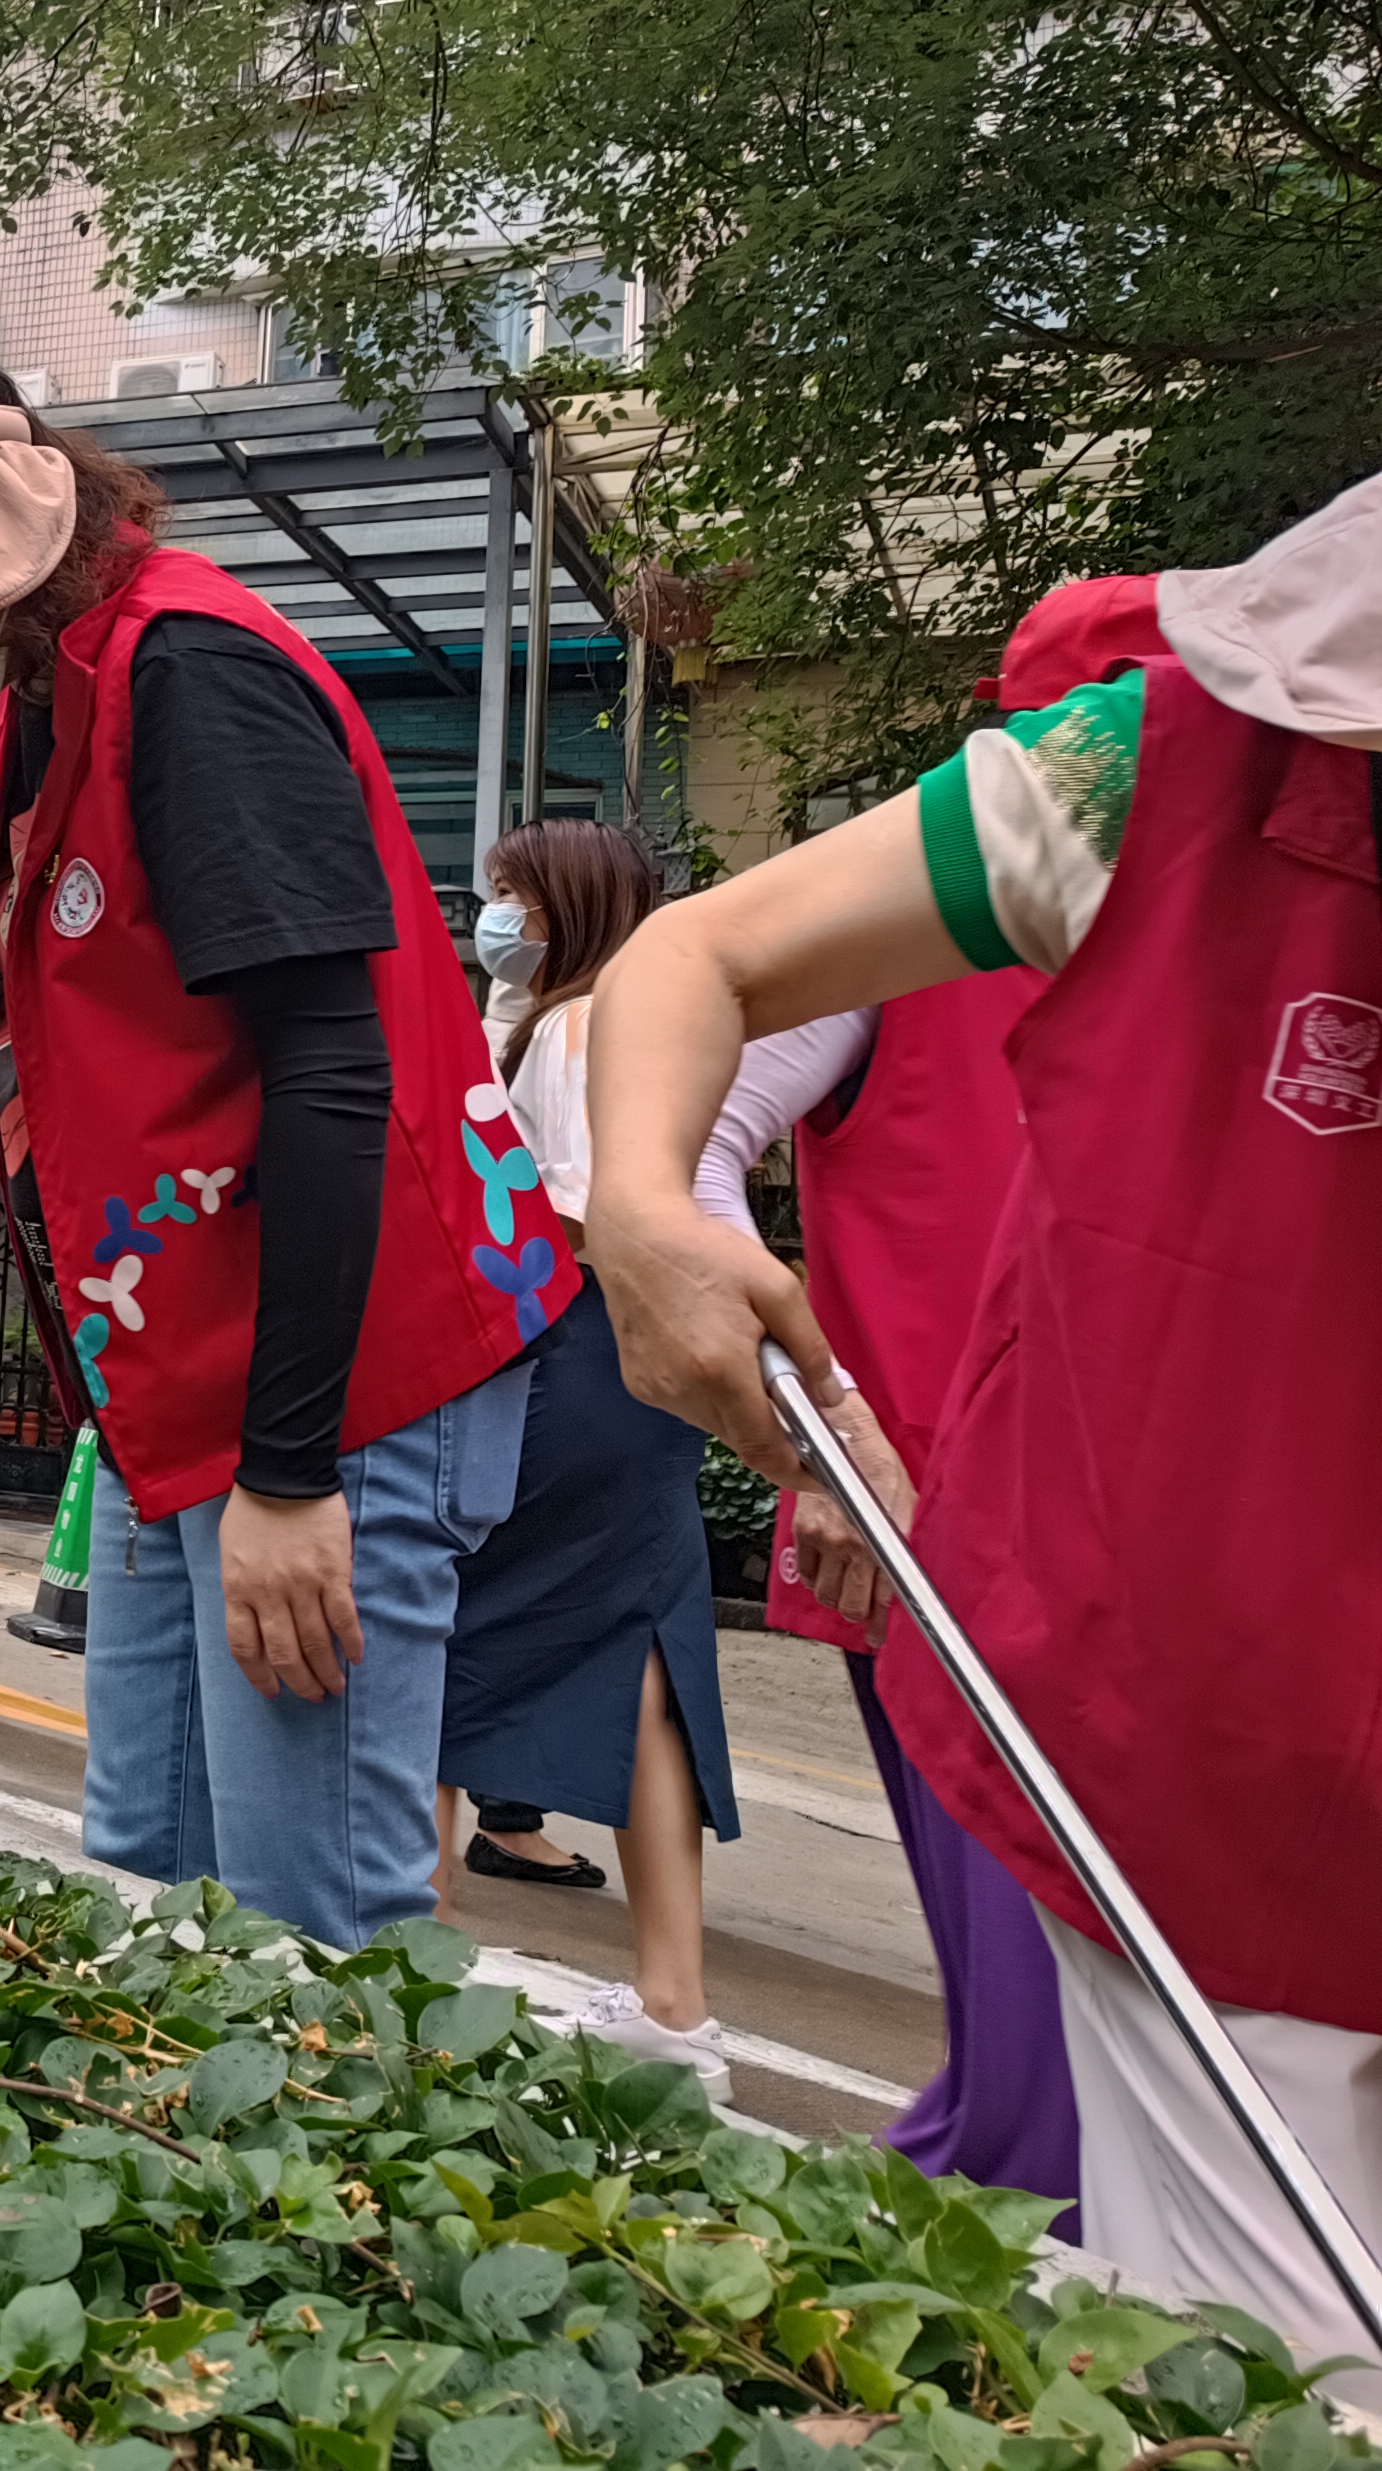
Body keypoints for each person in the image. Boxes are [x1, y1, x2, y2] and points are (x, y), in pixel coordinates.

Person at [583, 476, 1382, 2360]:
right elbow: (702, 976)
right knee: (1283, 2371)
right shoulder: (1141, 772)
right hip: (1163, 1699)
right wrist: (651, 1213)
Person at [0, 328, 567, 1955]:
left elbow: (331, 1065)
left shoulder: (194, 673)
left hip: (344, 1369)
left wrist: (291, 1474)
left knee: (301, 1910)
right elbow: (16, 837)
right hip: (177, 1366)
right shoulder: (52, 692)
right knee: (141, 1865)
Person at [669, 578, 1162, 2208]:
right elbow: (681, 1148)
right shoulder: (905, 935)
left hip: (1093, 1533)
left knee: (1074, 2014)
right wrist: (822, 1426)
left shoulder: (1220, 929)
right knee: (1040, 2031)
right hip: (938, 1521)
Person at [432, 822, 749, 2097]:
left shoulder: (574, 1029)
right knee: (651, 1660)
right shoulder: (636, 1022)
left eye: (510, 893)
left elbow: (572, 1209)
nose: (494, 916)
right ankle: (675, 2005)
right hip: (646, 1370)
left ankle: (409, 1948)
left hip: (565, 1350)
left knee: (439, 1626)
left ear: (565, 905)